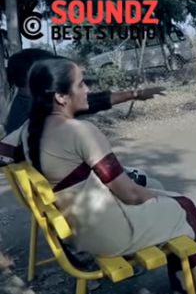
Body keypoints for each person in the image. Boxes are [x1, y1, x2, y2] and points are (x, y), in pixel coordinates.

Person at [19, 57, 196, 294]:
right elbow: (130, 194)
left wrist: (160, 197)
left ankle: (182, 287)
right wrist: (166, 199)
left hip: (82, 231)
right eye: (81, 84)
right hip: (110, 234)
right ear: (60, 97)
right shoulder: (80, 131)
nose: (87, 89)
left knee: (169, 198)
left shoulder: (28, 130)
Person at [1, 48, 165, 189]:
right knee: (154, 184)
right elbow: (91, 102)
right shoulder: (43, 114)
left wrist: (134, 94)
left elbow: (92, 101)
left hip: (61, 190)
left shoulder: (24, 108)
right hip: (83, 191)